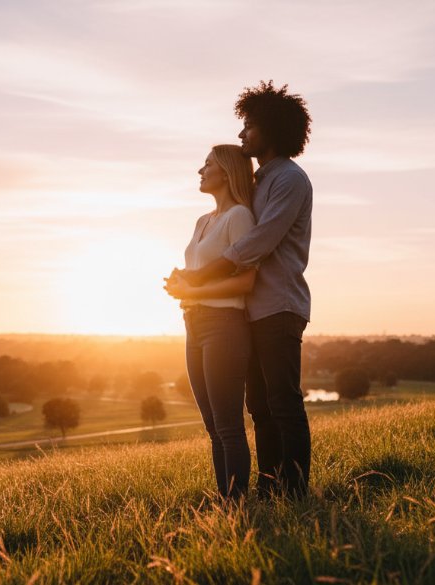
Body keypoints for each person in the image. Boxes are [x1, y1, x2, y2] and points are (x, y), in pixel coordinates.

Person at [177, 81, 314, 499]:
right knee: (259, 407)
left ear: (271, 129)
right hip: (248, 312)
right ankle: (268, 488)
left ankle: (294, 492)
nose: (242, 134)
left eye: (250, 126)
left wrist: (200, 279)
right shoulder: (259, 183)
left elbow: (259, 241)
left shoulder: (289, 179)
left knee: (283, 403)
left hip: (278, 305)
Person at [164, 144, 256, 499]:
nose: (200, 171)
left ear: (227, 173)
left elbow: (246, 282)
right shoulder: (203, 221)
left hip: (224, 325)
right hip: (194, 325)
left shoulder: (240, 217)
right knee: (212, 426)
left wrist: (193, 291)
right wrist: (180, 281)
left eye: (207, 165)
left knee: (229, 426)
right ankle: (225, 500)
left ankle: (238, 503)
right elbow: (199, 271)